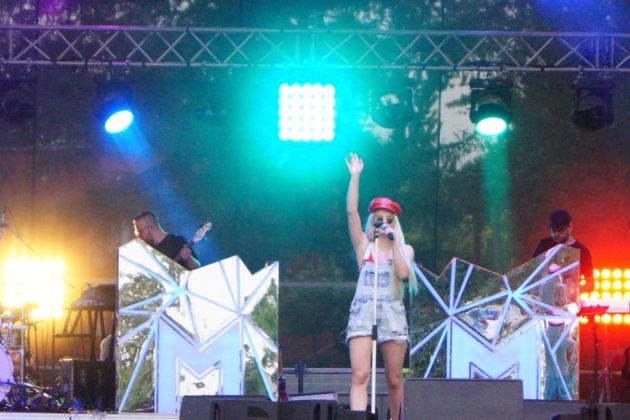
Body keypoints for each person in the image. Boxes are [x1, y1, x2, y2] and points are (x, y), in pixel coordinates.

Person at [344, 153, 418, 420]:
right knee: (360, 374)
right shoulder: (364, 247)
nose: (383, 223)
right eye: (379, 218)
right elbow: (351, 212)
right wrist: (355, 177)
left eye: (389, 219)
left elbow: (402, 273)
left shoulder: (404, 249)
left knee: (394, 378)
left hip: (392, 314)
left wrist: (393, 240)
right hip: (364, 312)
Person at [532, 209, 593, 292]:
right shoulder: (543, 245)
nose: (556, 234)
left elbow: (590, 283)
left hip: (569, 297)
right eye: (554, 230)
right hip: (545, 296)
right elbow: (532, 272)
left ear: (570, 227)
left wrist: (573, 291)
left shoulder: (582, 251)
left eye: (561, 230)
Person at [132, 211, 201, 270]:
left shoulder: (177, 240)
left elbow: (197, 268)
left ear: (151, 227)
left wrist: (188, 258)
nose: (139, 236)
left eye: (140, 232)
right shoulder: (148, 252)